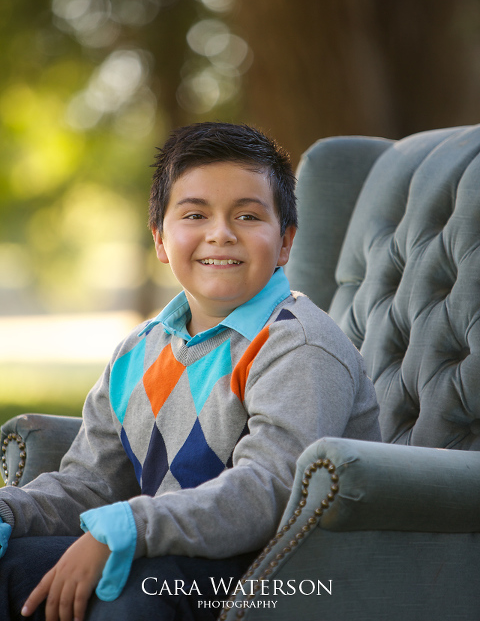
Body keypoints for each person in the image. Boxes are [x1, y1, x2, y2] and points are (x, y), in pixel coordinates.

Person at [0, 122, 381, 621]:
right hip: (171, 553)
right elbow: (91, 485)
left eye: (247, 215)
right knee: (12, 567)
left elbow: (269, 490)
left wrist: (130, 526)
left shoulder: (298, 342)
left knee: (131, 598)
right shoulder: (137, 351)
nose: (220, 233)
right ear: (160, 239)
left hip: (286, 575)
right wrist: (10, 510)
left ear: (285, 242)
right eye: (196, 214)